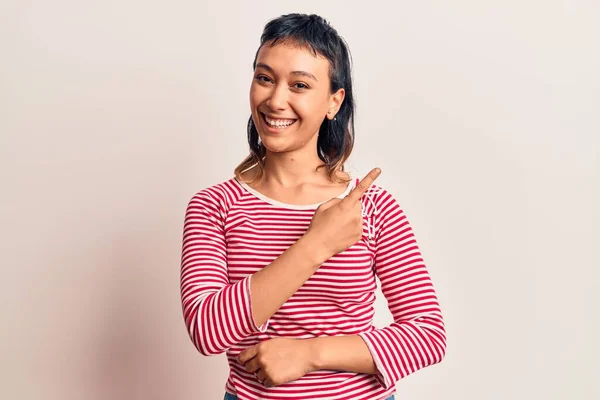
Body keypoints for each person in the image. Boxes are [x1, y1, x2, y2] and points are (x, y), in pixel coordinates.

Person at [180, 13, 446, 400]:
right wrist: (316, 245)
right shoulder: (214, 206)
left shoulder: (371, 206)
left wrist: (310, 353)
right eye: (264, 78)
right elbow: (207, 331)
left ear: (333, 102)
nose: (275, 100)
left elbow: (427, 335)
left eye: (300, 85)